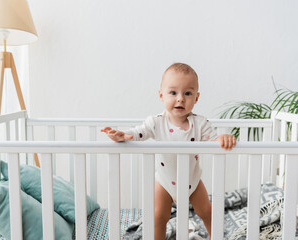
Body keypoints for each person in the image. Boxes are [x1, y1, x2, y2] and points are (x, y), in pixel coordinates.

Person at [101, 63, 236, 240]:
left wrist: (222, 138)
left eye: (187, 93)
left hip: (192, 180)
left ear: (196, 98)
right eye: (173, 93)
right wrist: (124, 135)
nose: (180, 99)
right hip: (164, 180)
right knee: (158, 216)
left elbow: (213, 139)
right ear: (161, 95)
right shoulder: (156, 122)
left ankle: (216, 238)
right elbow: (139, 132)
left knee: (206, 211)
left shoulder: (200, 124)